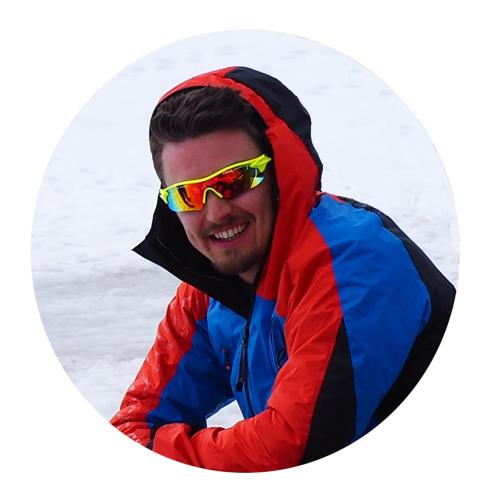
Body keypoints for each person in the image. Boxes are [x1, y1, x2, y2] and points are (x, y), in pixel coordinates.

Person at [110, 66, 456, 472]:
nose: (216, 212)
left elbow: (292, 450)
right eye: (188, 195)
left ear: (279, 171)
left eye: (235, 180)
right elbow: (134, 424)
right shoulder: (207, 292)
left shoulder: (356, 263)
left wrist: (162, 450)